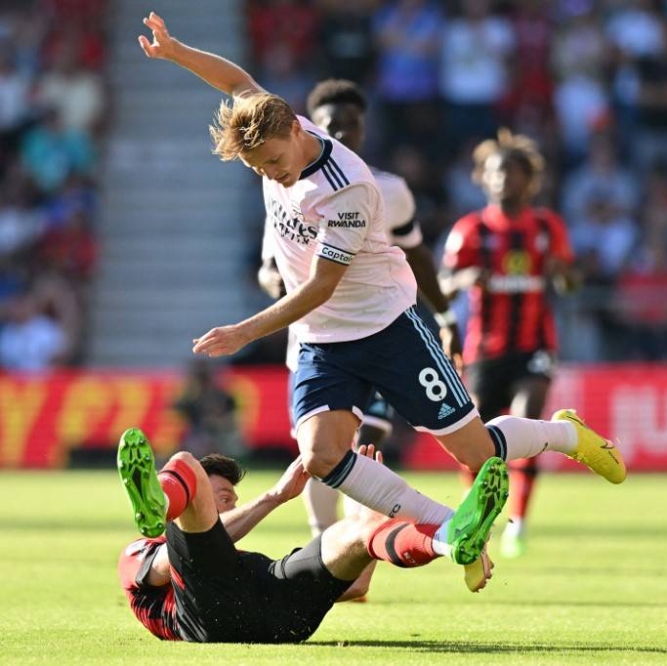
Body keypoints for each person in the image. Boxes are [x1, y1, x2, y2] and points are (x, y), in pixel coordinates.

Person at [137, 14, 625, 575]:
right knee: (320, 457)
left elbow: (322, 286)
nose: (269, 173)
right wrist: (177, 53)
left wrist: (244, 331)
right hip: (324, 340)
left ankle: (566, 433)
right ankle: (448, 524)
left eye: (271, 161)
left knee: (476, 452)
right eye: (256, 166)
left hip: (387, 327)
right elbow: (236, 81)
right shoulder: (272, 124)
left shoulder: (349, 190)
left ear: (296, 133)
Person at [258, 77, 461, 539]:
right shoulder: (287, 185)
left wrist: (446, 315)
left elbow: (417, 255)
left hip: (378, 330)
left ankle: (364, 540)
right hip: (315, 337)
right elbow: (270, 264)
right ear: (307, 128)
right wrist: (274, 282)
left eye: (354, 126)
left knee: (369, 439)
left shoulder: (388, 190)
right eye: (334, 125)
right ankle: (325, 540)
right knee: (322, 452)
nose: (345, 134)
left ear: (365, 130)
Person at [116, 428, 508, 642]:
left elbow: (355, 586)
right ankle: (163, 503)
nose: (231, 507)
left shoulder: (222, 557)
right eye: (222, 498)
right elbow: (170, 564)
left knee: (358, 533)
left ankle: (448, 540)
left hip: (283, 613)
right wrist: (274, 497)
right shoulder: (139, 552)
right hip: (207, 617)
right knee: (184, 462)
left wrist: (364, 510)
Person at [440, 130, 577, 558]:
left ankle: (518, 523)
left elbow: (571, 282)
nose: (503, 180)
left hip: (534, 344)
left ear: (527, 180)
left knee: (528, 425)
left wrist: (564, 273)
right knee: (476, 440)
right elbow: (440, 287)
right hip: (484, 349)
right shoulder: (470, 230)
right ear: (483, 178)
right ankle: (476, 514)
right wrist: (462, 280)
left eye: (512, 173)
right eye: (496, 173)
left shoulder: (546, 227)